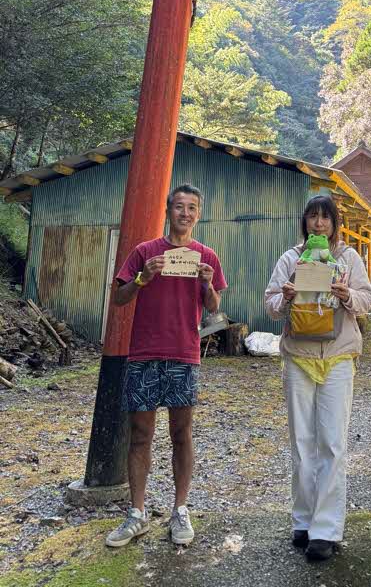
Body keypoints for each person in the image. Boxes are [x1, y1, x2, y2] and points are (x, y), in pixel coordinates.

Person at [106, 183, 227, 548]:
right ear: (168, 211)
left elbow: (212, 306)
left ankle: (180, 509)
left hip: (183, 354)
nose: (185, 213)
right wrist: (143, 277)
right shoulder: (145, 252)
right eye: (178, 206)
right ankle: (137, 514)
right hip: (144, 353)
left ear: (198, 214)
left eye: (192, 207)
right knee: (140, 435)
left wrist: (207, 283)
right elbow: (118, 298)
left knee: (181, 434)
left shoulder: (205, 255)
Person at [264, 194, 371, 562]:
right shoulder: (290, 258)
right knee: (302, 441)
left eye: (325, 217)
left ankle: (325, 530)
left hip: (339, 355)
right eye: (312, 216)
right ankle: (302, 520)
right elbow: (271, 306)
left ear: (335, 222)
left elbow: (366, 300)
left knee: (332, 442)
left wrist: (346, 296)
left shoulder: (349, 258)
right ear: (305, 222)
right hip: (298, 355)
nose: (319, 223)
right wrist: (287, 296)